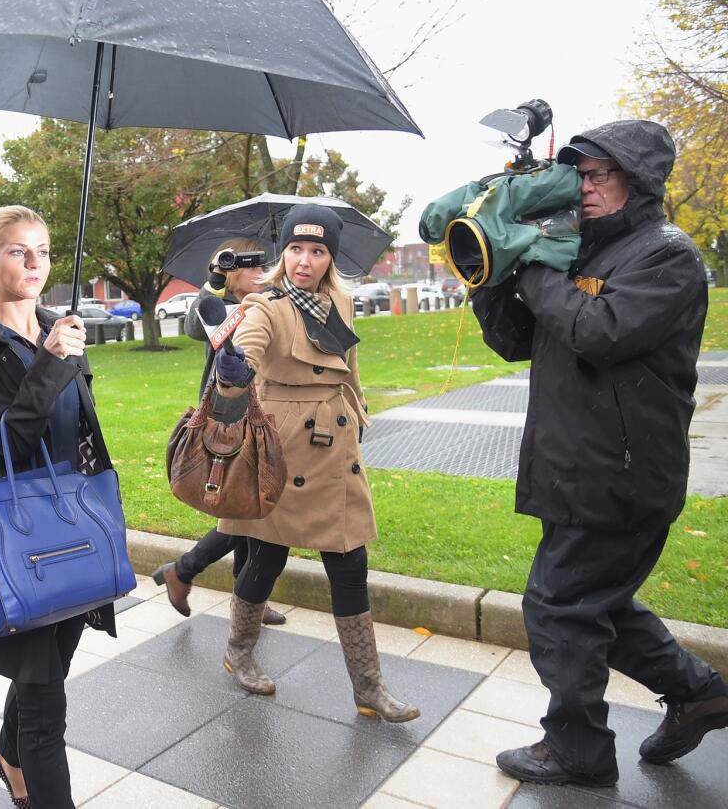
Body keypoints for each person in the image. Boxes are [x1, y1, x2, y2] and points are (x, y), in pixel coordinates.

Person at [471, 120, 728, 787]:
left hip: (621, 472)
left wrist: (530, 258)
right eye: (576, 176)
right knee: (597, 604)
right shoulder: (576, 252)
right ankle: (701, 693)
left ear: (635, 180)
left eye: (596, 176)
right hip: (575, 466)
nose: (580, 189)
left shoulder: (664, 254)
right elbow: (514, 338)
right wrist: (489, 271)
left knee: (558, 603)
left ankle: (578, 748)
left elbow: (598, 329)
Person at [0, 206, 118, 809]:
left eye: (42, 249)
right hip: (22, 531)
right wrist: (51, 363)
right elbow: (6, 440)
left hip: (74, 519)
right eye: (19, 251)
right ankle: (34, 783)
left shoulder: (59, 326)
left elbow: (78, 426)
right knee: (45, 699)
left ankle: (8, 756)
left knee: (49, 664)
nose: (35, 262)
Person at [211, 205, 419, 722]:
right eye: (297, 249)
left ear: (331, 256)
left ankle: (368, 687)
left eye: (317, 250)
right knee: (265, 557)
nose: (305, 260)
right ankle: (239, 650)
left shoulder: (340, 302)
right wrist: (235, 371)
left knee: (350, 562)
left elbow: (349, 370)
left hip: (337, 442)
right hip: (283, 444)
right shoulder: (266, 305)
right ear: (284, 252)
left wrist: (360, 414)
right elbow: (249, 351)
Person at [152, 238, 286, 626]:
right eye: (248, 265)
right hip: (229, 418)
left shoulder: (275, 304)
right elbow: (195, 326)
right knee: (242, 507)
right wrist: (214, 277)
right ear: (230, 272)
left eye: (265, 263)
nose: (260, 271)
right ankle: (192, 574)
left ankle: (233, 593)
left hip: (266, 415)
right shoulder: (222, 308)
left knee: (246, 507)